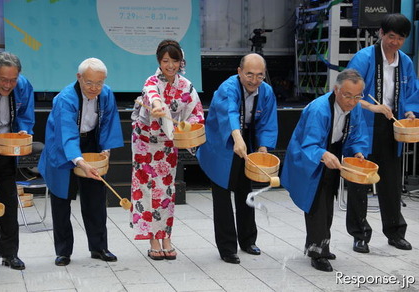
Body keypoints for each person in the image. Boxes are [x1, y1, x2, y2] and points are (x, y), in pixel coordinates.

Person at [281, 69, 369, 272]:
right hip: (310, 157)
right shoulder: (319, 109)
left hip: (333, 153)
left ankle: (322, 244)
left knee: (328, 202)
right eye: (348, 95)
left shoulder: (354, 107)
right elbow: (309, 142)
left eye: (357, 96)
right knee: (316, 203)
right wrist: (323, 154)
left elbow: (358, 135)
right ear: (336, 90)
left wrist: (358, 152)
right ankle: (316, 252)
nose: (352, 101)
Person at [38, 58, 123, 266]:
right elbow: (66, 134)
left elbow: (109, 122)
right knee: (61, 200)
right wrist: (79, 161)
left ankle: (99, 247)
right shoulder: (64, 99)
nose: (94, 88)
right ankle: (63, 251)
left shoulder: (106, 93)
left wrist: (105, 150)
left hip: (92, 141)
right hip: (62, 147)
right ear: (79, 78)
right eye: (89, 83)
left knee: (95, 198)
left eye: (99, 83)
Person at [346, 13, 419, 253]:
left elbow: (411, 95)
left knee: (391, 182)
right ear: (380, 33)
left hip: (392, 126)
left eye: (400, 38)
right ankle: (360, 235)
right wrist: (371, 106)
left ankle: (395, 232)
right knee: (360, 181)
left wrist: (409, 112)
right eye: (391, 37)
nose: (395, 42)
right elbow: (346, 92)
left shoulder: (405, 62)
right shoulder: (364, 58)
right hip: (363, 126)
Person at [196, 53, 278, 264]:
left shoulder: (266, 91)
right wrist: (237, 137)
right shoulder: (227, 88)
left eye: (259, 75)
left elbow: (267, 121)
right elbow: (229, 114)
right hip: (220, 143)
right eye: (249, 74)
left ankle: (248, 240)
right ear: (239, 72)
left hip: (246, 140)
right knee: (222, 196)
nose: (254, 80)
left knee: (245, 191)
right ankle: (227, 247)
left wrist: (262, 147)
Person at [130, 39, 204, 261]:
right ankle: (153, 238)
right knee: (147, 191)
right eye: (165, 61)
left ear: (181, 62)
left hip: (167, 145)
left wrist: (187, 127)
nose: (170, 65)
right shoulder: (151, 82)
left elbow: (196, 113)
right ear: (159, 62)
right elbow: (153, 97)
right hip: (145, 144)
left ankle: (166, 237)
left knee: (166, 193)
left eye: (174, 61)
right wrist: (158, 106)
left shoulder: (186, 86)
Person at [0, 52, 35, 276]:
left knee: (9, 203)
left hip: (8, 150)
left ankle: (9, 253)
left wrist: (23, 130)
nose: (9, 85)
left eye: (13, 79)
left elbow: (25, 114)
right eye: (3, 79)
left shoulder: (22, 85)